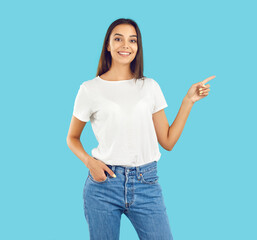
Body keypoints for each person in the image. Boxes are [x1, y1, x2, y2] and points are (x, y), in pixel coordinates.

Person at [66, 18, 215, 240]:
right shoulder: (90, 89)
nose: (125, 45)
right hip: (104, 184)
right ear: (108, 45)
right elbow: (72, 137)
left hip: (146, 182)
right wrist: (90, 162)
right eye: (118, 39)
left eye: (132, 40)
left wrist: (188, 101)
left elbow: (168, 141)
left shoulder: (150, 86)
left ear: (138, 46)